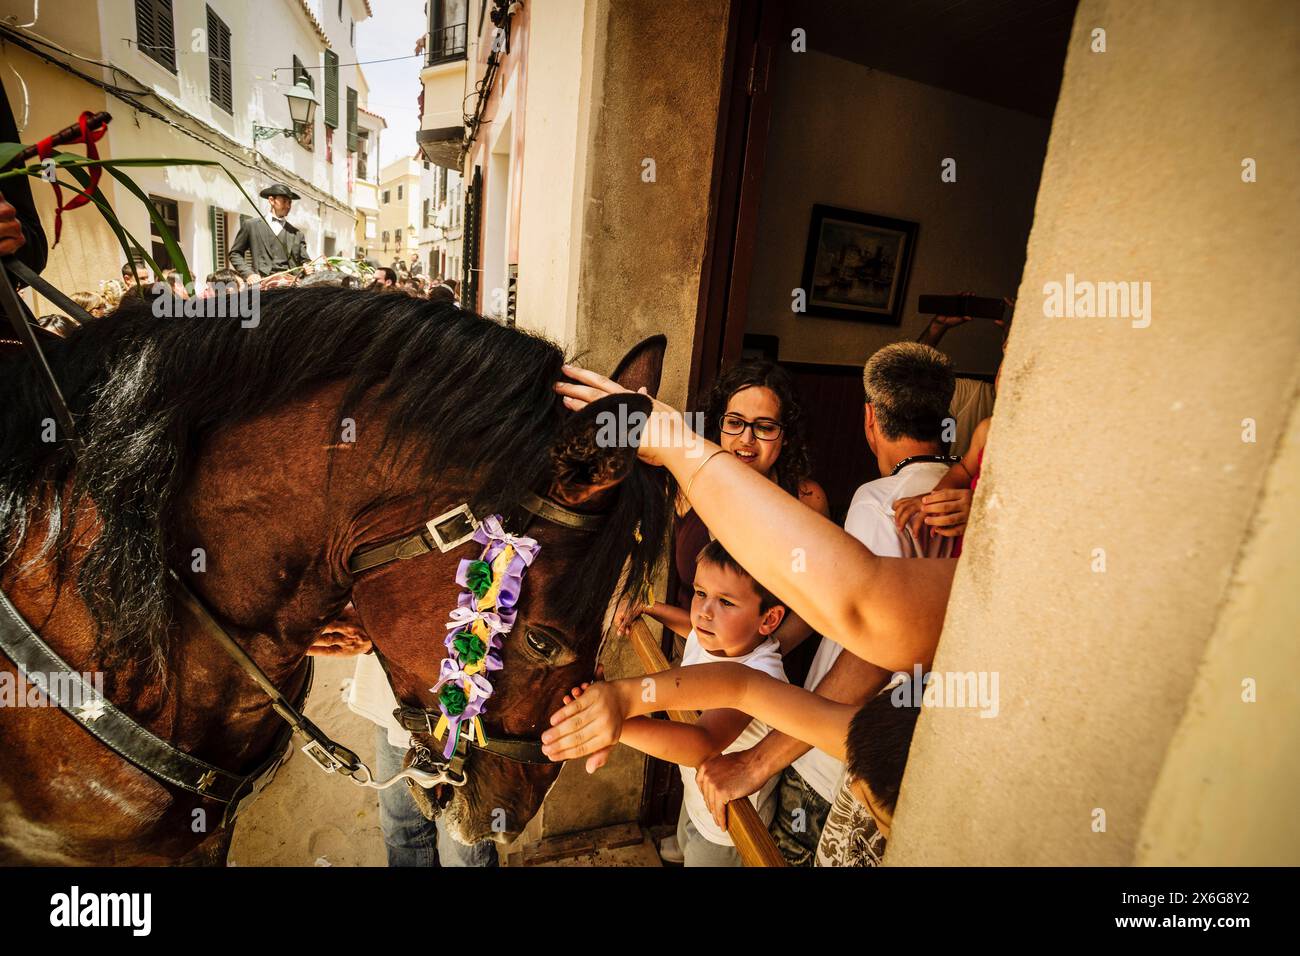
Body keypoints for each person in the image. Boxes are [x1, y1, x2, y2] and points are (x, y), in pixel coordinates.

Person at [684, 343, 957, 865]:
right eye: (734, 422)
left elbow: (873, 647)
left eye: (765, 426)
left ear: (869, 418)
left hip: (834, 749)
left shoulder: (881, 503)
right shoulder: (968, 495)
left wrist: (761, 754)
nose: (747, 438)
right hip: (882, 743)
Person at [575, 540, 789, 866]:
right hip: (695, 795)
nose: (704, 610)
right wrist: (649, 608)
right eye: (700, 593)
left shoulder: (760, 674)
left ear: (769, 619)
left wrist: (617, 725)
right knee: (687, 831)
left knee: (702, 851)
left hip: (727, 825)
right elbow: (691, 628)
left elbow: (702, 742)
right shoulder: (720, 637)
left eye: (726, 602)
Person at [227, 184, 310, 284]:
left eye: (290, 202)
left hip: (290, 285)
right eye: (284, 201)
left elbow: (305, 261)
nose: (288, 206)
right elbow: (235, 254)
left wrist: (307, 267)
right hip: (262, 284)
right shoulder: (251, 226)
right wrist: (249, 274)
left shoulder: (297, 233)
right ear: (271, 200)